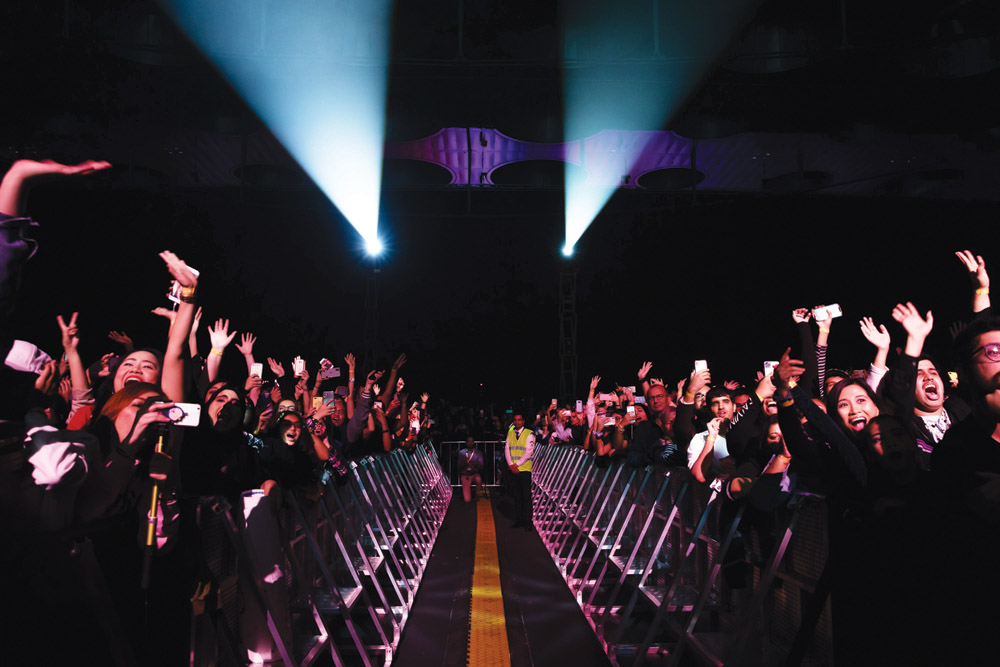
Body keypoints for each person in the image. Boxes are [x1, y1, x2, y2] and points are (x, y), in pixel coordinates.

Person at [505, 413, 535, 531]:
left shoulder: (529, 433)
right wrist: (511, 465)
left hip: (524, 469)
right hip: (513, 468)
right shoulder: (510, 433)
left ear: (523, 422)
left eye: (519, 420)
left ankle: (527, 521)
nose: (517, 422)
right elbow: (507, 449)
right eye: (515, 420)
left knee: (526, 496)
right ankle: (519, 519)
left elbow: (529, 452)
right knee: (517, 496)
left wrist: (516, 465)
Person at [457, 436, 484, 502]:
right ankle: (469, 493)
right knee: (467, 500)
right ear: (466, 443)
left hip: (474, 473)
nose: (470, 443)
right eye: (468, 441)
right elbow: (458, 465)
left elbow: (481, 466)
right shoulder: (461, 452)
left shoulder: (478, 452)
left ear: (474, 442)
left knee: (478, 479)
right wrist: (466, 463)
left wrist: (475, 464)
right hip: (465, 474)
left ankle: (477, 494)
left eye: (472, 441)